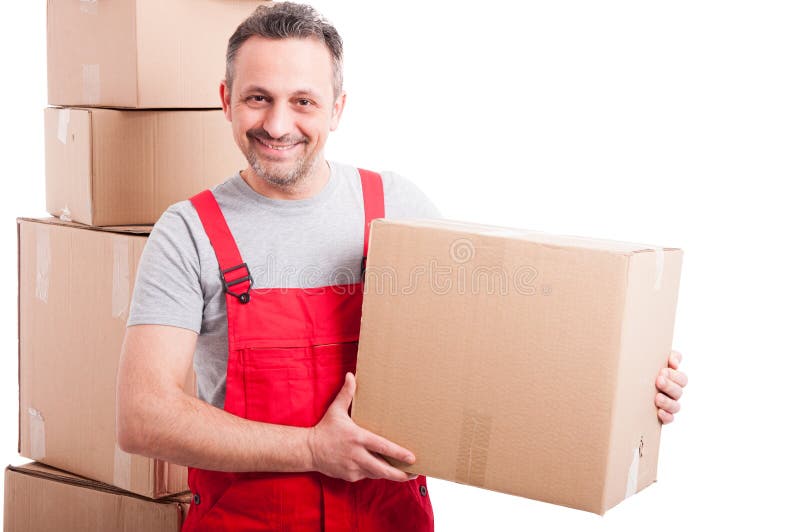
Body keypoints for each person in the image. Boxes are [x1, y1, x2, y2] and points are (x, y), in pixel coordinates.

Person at [116, 3, 688, 531]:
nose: (278, 124)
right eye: (257, 98)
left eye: (304, 101)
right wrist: (313, 450)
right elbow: (143, 416)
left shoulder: (395, 211)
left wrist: (628, 386)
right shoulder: (189, 232)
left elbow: (493, 354)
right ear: (226, 100)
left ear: (337, 109)